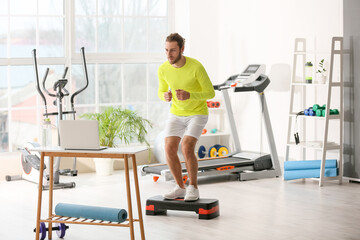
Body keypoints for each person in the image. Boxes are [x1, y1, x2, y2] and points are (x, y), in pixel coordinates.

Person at [158, 33, 215, 201]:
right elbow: (161, 91)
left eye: (173, 51)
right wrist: (165, 97)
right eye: (166, 50)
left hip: (197, 113)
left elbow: (210, 92)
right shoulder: (163, 69)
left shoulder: (196, 66)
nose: (169, 55)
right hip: (176, 113)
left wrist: (190, 95)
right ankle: (179, 187)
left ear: (182, 49)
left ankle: (193, 187)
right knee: (168, 147)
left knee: (187, 146)